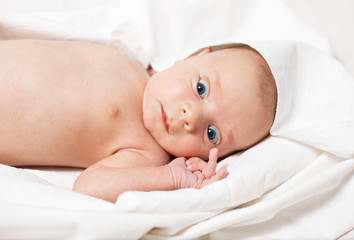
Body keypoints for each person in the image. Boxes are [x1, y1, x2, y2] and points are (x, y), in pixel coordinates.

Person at [0, 39, 277, 202]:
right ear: (188, 58)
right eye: (201, 88)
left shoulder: (148, 153)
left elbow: (89, 186)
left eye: (212, 133)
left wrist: (170, 178)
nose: (190, 117)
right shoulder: (133, 60)